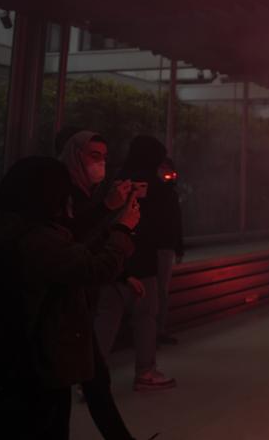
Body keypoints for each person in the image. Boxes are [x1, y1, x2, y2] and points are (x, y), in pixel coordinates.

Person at [0, 156, 136, 439]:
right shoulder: (37, 240)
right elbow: (93, 269)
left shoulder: (4, 230)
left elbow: (75, 254)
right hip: (43, 359)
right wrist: (123, 230)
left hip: (15, 355)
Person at [59, 130, 141, 439]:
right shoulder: (62, 194)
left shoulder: (85, 192)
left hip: (75, 298)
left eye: (104, 157)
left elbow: (89, 242)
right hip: (62, 300)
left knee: (94, 379)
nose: (101, 164)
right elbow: (74, 240)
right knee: (85, 381)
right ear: (75, 155)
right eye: (95, 156)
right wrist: (113, 215)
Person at [94, 135, 177, 392]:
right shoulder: (159, 187)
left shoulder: (115, 181)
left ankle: (90, 377)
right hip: (144, 262)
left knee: (105, 319)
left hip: (111, 258)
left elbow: (100, 218)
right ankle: (145, 372)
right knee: (145, 318)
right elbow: (163, 224)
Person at [155, 157, 184, 346]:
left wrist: (178, 247)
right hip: (154, 247)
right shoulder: (153, 192)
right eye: (163, 168)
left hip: (166, 247)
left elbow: (176, 221)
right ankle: (152, 331)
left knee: (162, 291)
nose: (167, 173)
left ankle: (159, 330)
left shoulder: (171, 194)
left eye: (169, 169)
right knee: (155, 292)